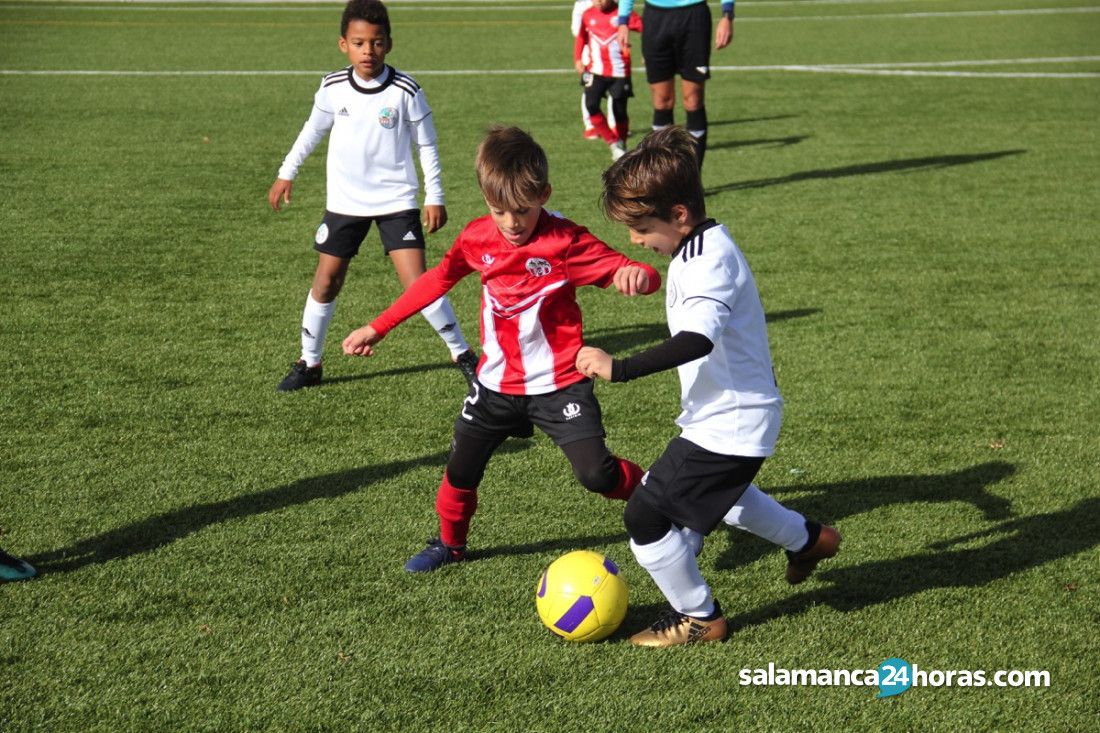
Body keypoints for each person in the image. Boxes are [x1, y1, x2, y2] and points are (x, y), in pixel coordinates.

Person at [343, 125, 662, 573]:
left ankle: (666, 499)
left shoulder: (565, 241)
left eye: (522, 211)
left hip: (559, 384)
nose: (512, 223)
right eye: (499, 211)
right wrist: (379, 326)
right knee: (460, 470)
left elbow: (629, 270)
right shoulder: (476, 238)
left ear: (544, 194)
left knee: (597, 475)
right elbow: (437, 279)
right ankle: (451, 545)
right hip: (495, 384)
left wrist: (640, 278)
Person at [578, 127, 840, 646]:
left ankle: (699, 616)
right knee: (729, 497)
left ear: (678, 215)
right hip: (730, 412)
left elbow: (698, 339)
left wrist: (621, 366)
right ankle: (811, 540)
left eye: (640, 227)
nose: (634, 239)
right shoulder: (699, 246)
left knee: (645, 514)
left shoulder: (706, 261)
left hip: (732, 420)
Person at [268, 0, 477, 392]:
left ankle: (463, 354)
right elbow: (312, 131)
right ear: (343, 44)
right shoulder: (332, 87)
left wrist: (435, 195)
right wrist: (286, 172)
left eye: (377, 43)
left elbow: (427, 146)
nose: (369, 51)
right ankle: (309, 362)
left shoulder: (406, 91)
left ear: (389, 44)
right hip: (345, 203)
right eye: (360, 42)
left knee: (418, 284)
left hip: (397, 201)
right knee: (326, 281)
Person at [615, 0, 735, 169]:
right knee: (662, 100)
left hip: (694, 16)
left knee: (693, 99)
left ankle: (693, 181)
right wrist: (622, 21)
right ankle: (666, 179)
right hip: (656, 17)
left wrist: (727, 14)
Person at [574, 0, 643, 160]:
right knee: (591, 105)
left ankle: (622, 144)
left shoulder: (624, 14)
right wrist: (578, 59)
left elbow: (645, 28)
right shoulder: (588, 14)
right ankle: (613, 142)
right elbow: (581, 38)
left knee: (619, 111)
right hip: (594, 70)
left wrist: (647, 51)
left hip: (619, 71)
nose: (598, 2)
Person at [571, 0, 616, 140]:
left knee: (614, 91)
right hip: (588, 57)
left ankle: (613, 124)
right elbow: (576, 30)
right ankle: (590, 125)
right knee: (588, 89)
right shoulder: (581, 5)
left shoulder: (611, 3)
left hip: (611, 58)